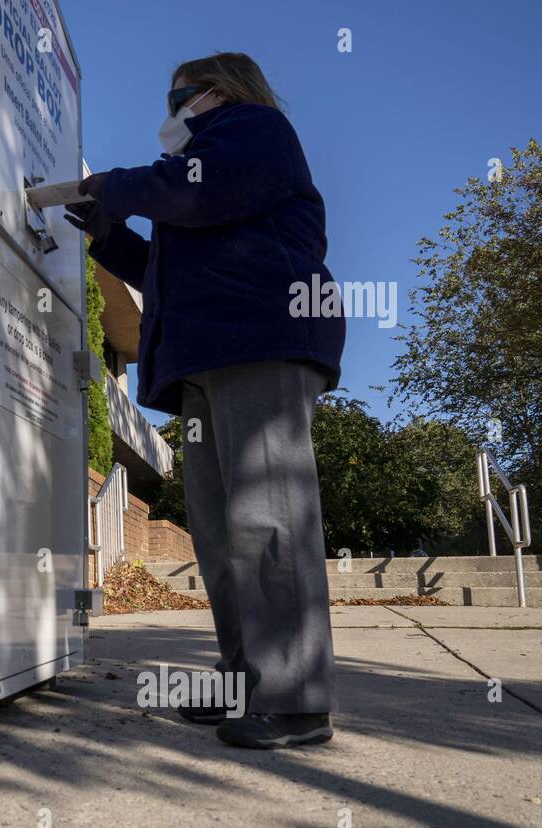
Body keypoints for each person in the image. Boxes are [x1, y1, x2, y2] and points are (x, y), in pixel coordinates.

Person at [67, 52, 345, 749]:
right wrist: (108, 235)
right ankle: (244, 681)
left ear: (217, 93)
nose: (168, 112)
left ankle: (296, 700)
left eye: (177, 97)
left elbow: (197, 191)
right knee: (223, 534)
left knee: (268, 518)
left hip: (259, 338)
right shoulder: (202, 171)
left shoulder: (255, 130)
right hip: (209, 354)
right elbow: (165, 271)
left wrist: (114, 185)